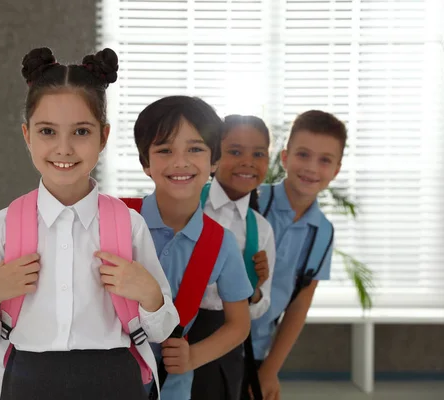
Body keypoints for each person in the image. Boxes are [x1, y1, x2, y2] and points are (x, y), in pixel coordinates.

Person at [0, 47, 179, 400]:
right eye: (47, 131)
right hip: (27, 379)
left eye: (80, 132)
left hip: (114, 378)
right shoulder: (2, 227)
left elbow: (162, 328)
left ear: (103, 138)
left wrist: (150, 295)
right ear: (27, 135)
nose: (64, 148)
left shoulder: (129, 225)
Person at [128, 95, 253, 400]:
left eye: (195, 149)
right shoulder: (117, 220)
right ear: (146, 163)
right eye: (164, 150)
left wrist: (193, 357)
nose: (180, 162)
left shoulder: (220, 243)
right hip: (105, 380)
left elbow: (239, 324)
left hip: (171, 388)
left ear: (214, 161)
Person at [242, 110, 346, 400]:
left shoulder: (323, 233)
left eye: (325, 160)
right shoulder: (251, 202)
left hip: (259, 352)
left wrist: (270, 370)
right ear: (285, 158)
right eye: (303, 154)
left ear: (336, 170)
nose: (312, 167)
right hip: (213, 343)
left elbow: (299, 306)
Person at [190, 115, 276, 400]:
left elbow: (260, 307)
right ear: (214, 156)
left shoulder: (261, 230)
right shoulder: (187, 205)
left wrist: (255, 289)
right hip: (178, 329)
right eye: (235, 152)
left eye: (259, 154)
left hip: (228, 337)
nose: (248, 162)